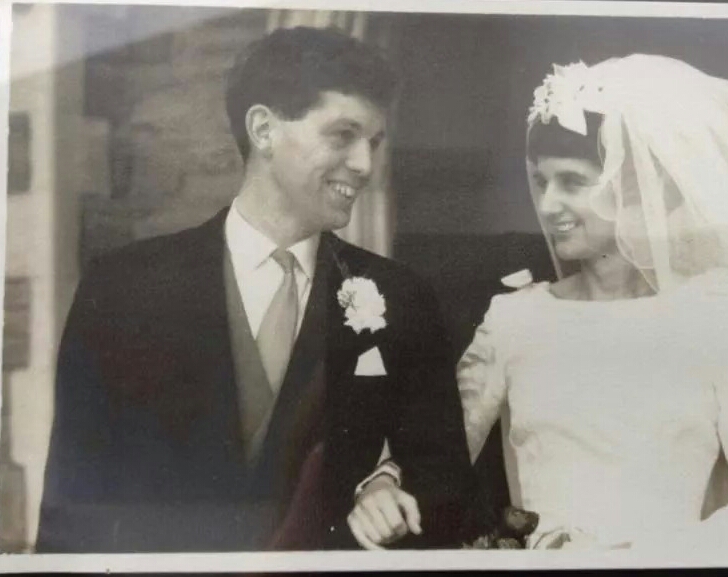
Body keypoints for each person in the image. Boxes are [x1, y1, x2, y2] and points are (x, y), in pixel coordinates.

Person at [36, 26, 476, 552]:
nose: (365, 165)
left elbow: (444, 482)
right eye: (343, 135)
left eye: (375, 143)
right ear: (263, 130)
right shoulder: (123, 288)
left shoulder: (402, 298)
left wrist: (386, 481)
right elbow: (71, 509)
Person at [457, 55, 728, 550]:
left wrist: (644, 557)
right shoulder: (515, 319)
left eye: (572, 182)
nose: (547, 205)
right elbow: (431, 463)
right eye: (542, 181)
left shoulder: (719, 317)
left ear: (638, 190)